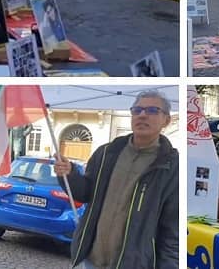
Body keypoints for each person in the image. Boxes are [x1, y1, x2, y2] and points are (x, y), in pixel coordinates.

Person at [53, 90, 178, 268]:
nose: (142, 115)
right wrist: (69, 174)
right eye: (137, 110)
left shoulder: (171, 166)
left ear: (166, 120)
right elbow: (85, 193)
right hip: (91, 260)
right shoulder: (106, 153)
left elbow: (172, 230)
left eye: (152, 110)